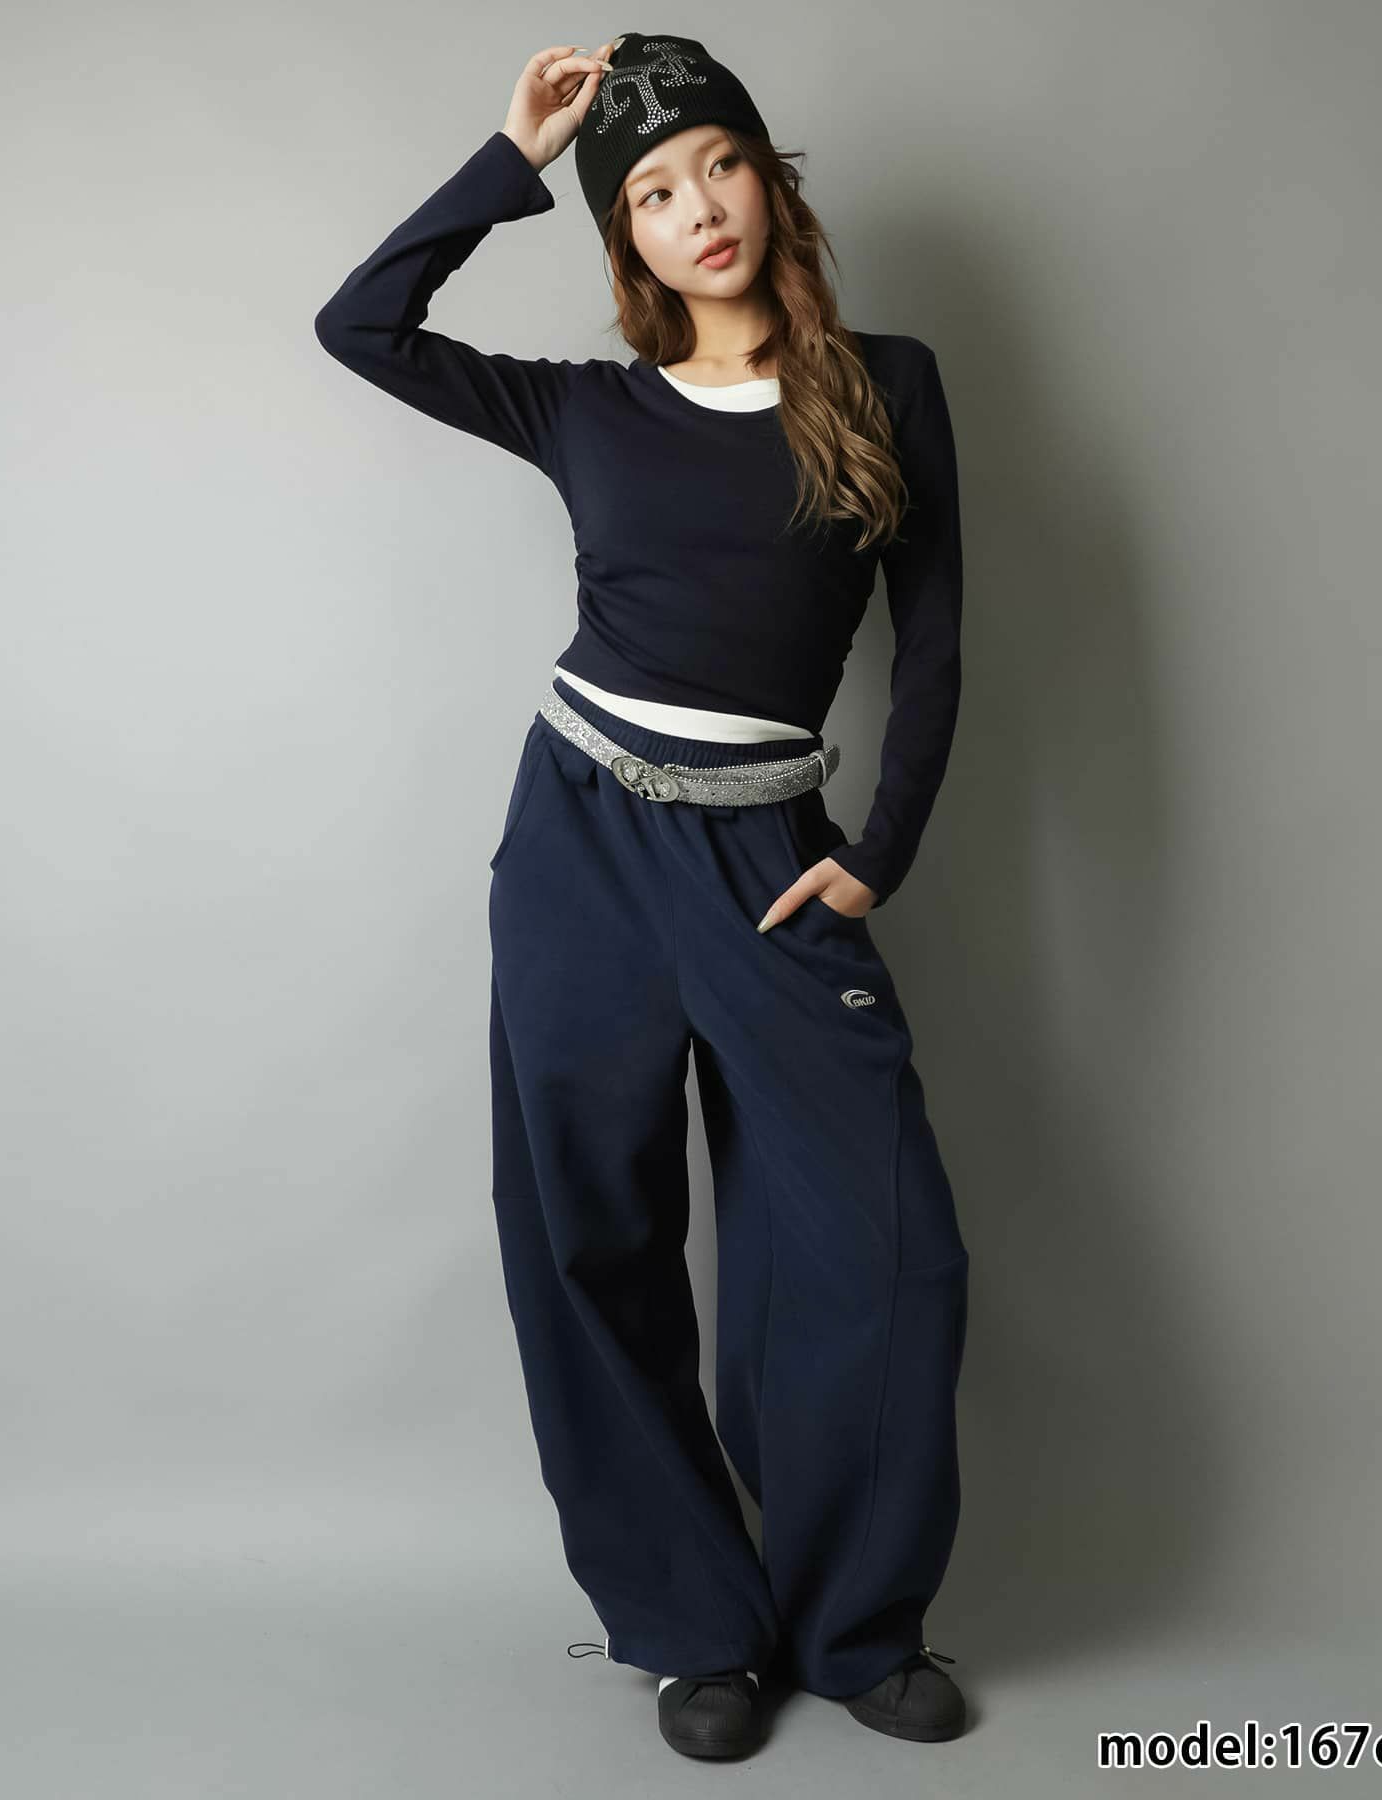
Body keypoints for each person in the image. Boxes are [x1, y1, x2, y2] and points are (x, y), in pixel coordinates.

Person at [314, 31, 970, 1761]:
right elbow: (360, 326)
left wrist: (879, 849)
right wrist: (515, 155)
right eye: (655, 193)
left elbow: (936, 640)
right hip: (582, 843)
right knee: (590, 1237)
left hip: (775, 863)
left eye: (719, 164)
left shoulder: (889, 386)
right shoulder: (586, 407)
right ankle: (693, 1629)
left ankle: (856, 1624)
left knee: (882, 1249)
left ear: (769, 177)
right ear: (628, 239)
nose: (699, 208)